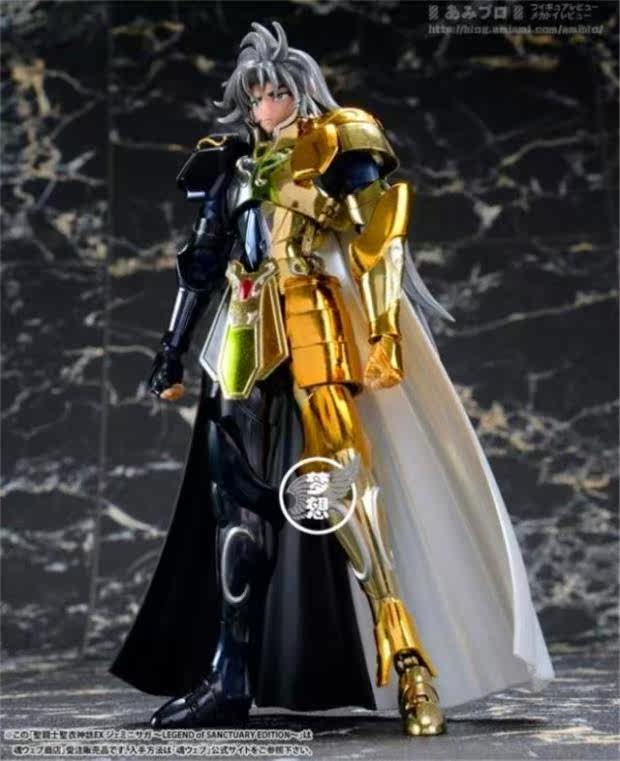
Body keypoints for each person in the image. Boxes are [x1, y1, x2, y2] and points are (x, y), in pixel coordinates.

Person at [109, 21, 555, 738]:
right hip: (243, 332)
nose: (263, 105)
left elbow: (378, 241)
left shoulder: (340, 140)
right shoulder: (230, 167)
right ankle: (230, 677)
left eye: (274, 91)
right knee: (235, 503)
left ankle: (408, 661)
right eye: (254, 94)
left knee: (346, 487)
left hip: (315, 321)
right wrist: (171, 349)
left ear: (300, 91)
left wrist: (383, 333)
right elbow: (201, 262)